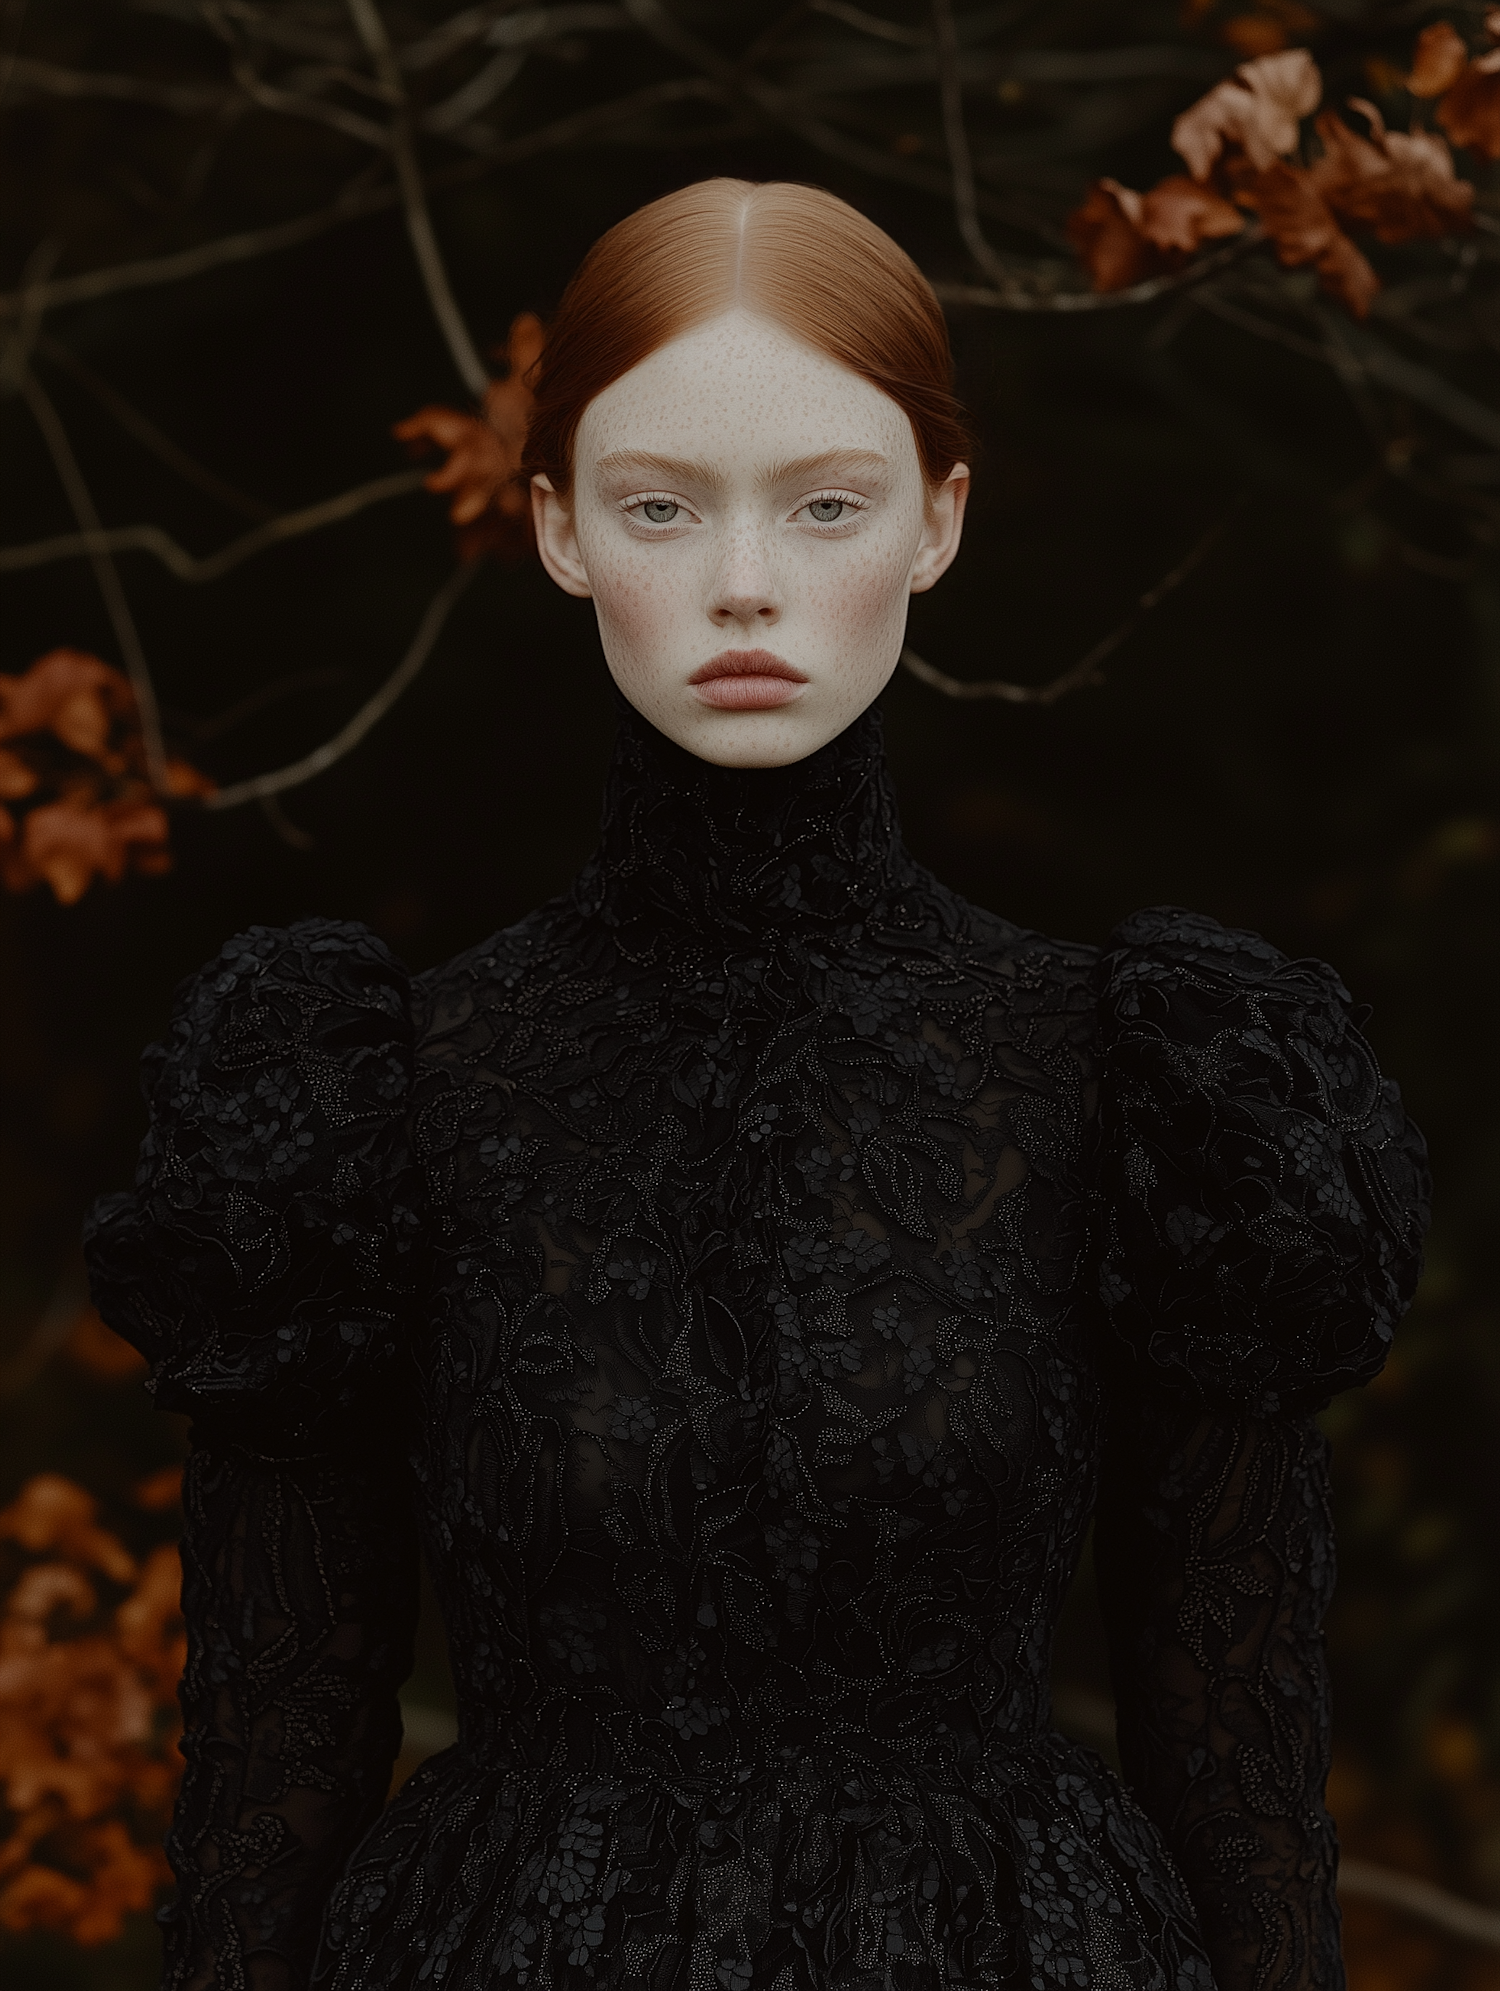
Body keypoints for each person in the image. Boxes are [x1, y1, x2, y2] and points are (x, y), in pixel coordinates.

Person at [86, 179, 1430, 1991]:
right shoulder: (373, 1086)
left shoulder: (1136, 1071)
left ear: (940, 521)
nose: (745, 582)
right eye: (661, 504)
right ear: (558, 528)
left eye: (826, 504)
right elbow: (274, 1759)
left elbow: (1238, 1762)